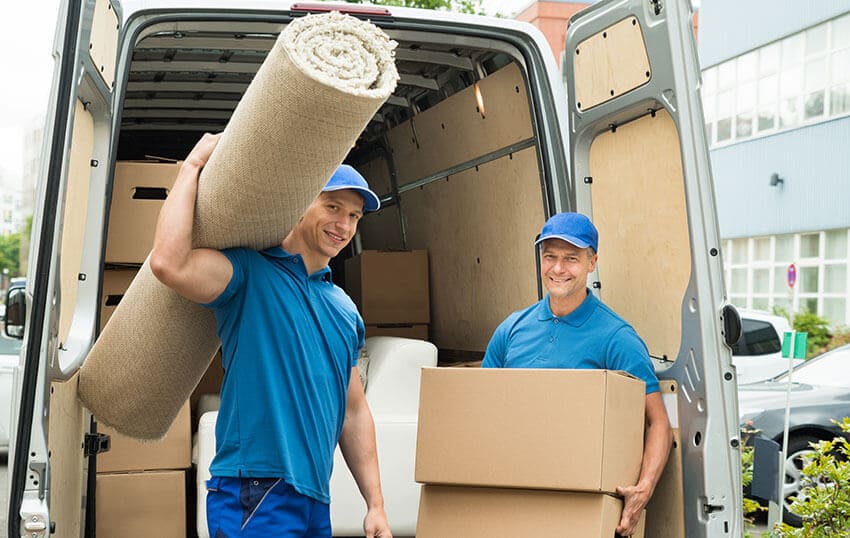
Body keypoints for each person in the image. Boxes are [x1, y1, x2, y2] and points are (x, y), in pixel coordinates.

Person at [150, 133, 392, 538]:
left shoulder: (345, 311)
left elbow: (353, 411)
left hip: (315, 498)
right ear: (300, 205)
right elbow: (168, 265)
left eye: (354, 216)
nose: (343, 225)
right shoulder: (251, 273)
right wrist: (191, 167)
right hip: (255, 489)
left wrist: (376, 505)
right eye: (332, 206)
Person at [481, 212, 672, 537]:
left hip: (580, 502)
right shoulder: (511, 329)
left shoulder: (617, 338)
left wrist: (644, 489)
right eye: (550, 257)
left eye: (571, 258)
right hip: (515, 493)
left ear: (592, 262)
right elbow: (483, 408)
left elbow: (658, 423)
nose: (558, 269)